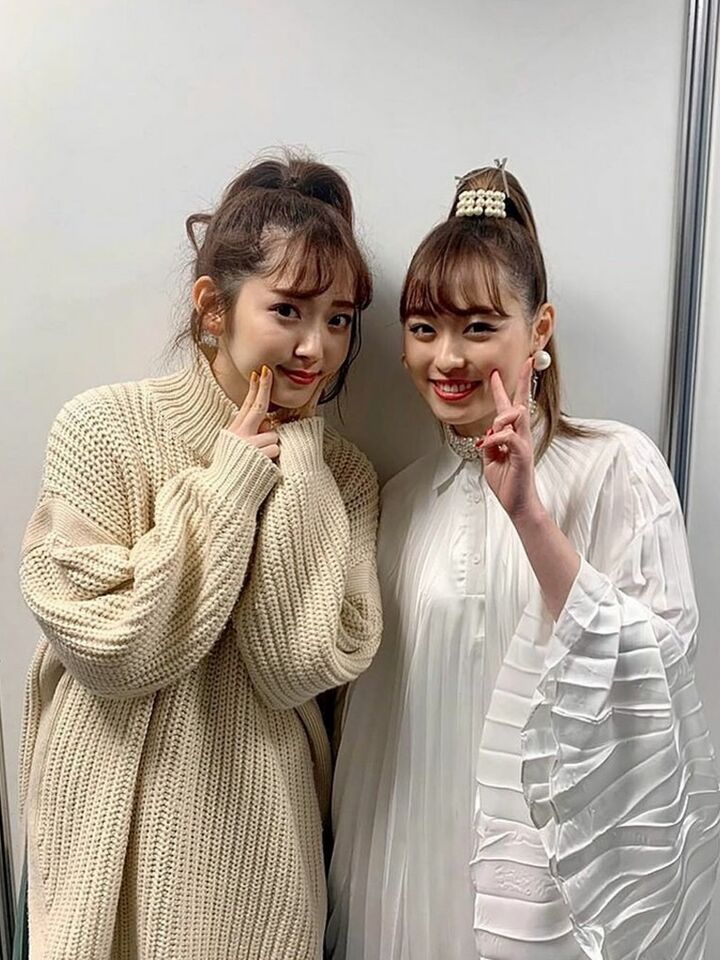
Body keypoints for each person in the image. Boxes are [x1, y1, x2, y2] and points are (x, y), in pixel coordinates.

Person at [326, 162, 720, 960]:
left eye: (478, 327)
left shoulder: (616, 467)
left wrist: (530, 518)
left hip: (544, 877)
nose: (446, 358)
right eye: (423, 328)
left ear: (538, 330)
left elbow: (661, 666)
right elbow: (374, 723)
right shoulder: (397, 501)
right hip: (400, 863)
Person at [17, 153, 382, 960]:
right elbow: (115, 650)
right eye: (288, 310)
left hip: (263, 848)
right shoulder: (102, 429)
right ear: (213, 306)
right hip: (109, 837)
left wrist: (300, 464)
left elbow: (295, 666)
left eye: (339, 319)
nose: (316, 347)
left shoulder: (344, 476)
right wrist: (229, 483)